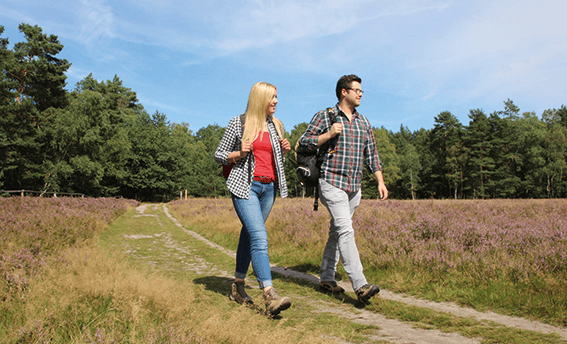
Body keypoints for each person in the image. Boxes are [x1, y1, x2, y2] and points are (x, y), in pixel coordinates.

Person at [298, 74, 389, 304]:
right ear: (344, 92)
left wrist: (380, 180)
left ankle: (327, 278)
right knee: (346, 230)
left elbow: (372, 154)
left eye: (361, 91)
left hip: (354, 186)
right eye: (356, 90)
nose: (360, 94)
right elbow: (304, 142)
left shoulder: (364, 122)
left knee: (337, 231)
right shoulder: (325, 116)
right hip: (330, 182)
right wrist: (328, 134)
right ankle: (360, 285)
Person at [214, 81, 292, 315]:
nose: (276, 101)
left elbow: (275, 162)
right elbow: (219, 156)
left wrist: (284, 153)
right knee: (259, 236)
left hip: (269, 189)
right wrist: (239, 153)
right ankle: (269, 294)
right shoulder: (238, 123)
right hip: (246, 186)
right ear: (260, 99)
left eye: (277, 97)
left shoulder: (277, 125)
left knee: (249, 235)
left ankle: (238, 285)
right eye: (272, 97)